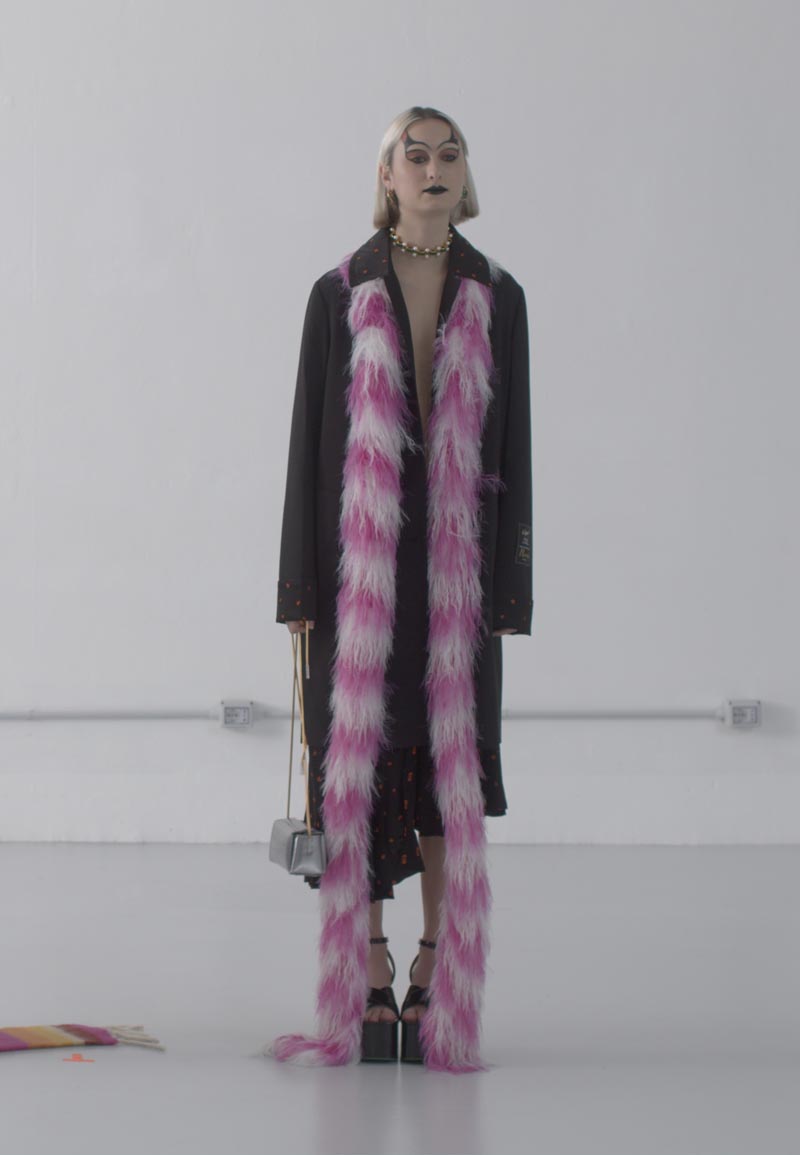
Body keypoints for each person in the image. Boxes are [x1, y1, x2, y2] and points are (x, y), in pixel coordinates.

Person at [272, 105, 532, 1071]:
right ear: (387, 176)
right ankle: (368, 958)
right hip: (359, 569)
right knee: (362, 757)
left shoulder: (497, 295)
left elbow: (515, 444)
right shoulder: (338, 293)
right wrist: (299, 587)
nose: (433, 168)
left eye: (448, 154)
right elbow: (307, 445)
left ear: (465, 176)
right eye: (414, 155)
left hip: (456, 569)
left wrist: (510, 593)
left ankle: (436, 957)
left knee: (448, 763)